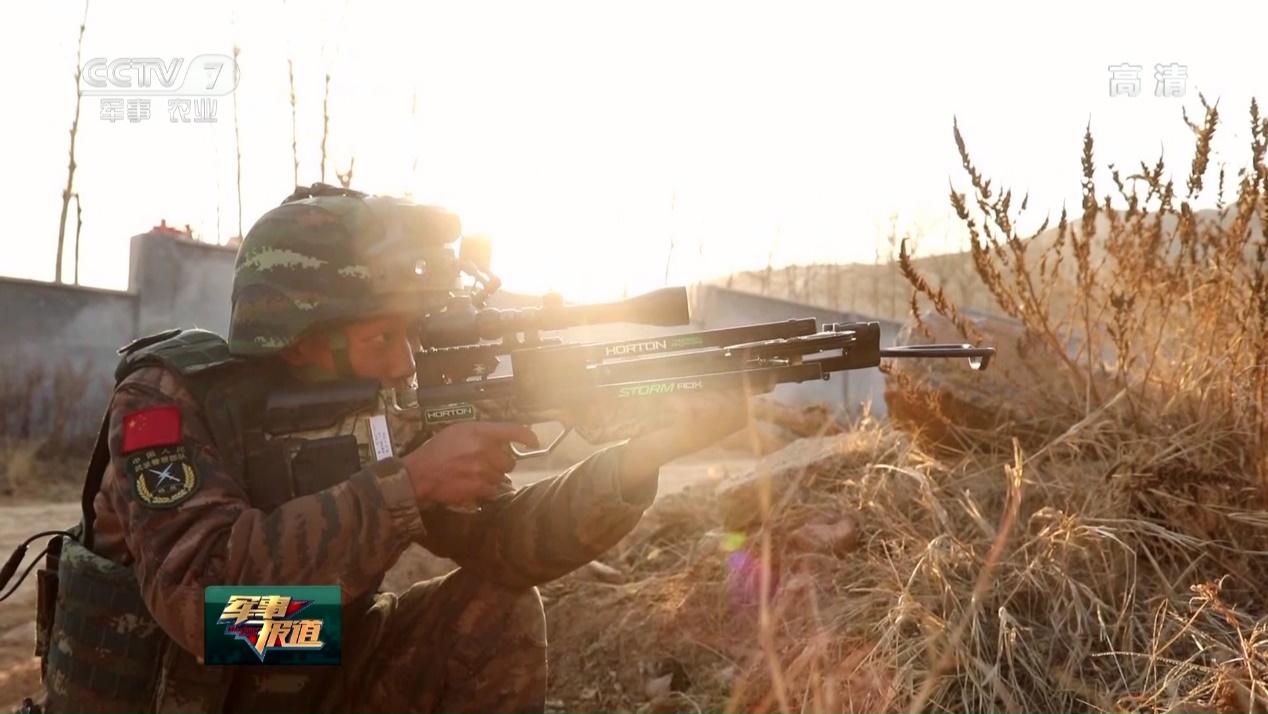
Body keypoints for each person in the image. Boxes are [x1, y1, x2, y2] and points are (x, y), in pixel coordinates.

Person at [35, 183, 748, 713]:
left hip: (307, 677)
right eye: (381, 339)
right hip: (177, 695)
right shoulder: (166, 400)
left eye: (411, 336)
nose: (405, 363)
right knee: (309, 622)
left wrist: (641, 458)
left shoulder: (383, 408)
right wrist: (408, 488)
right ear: (301, 338)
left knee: (492, 607)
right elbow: (211, 619)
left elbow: (508, 546)